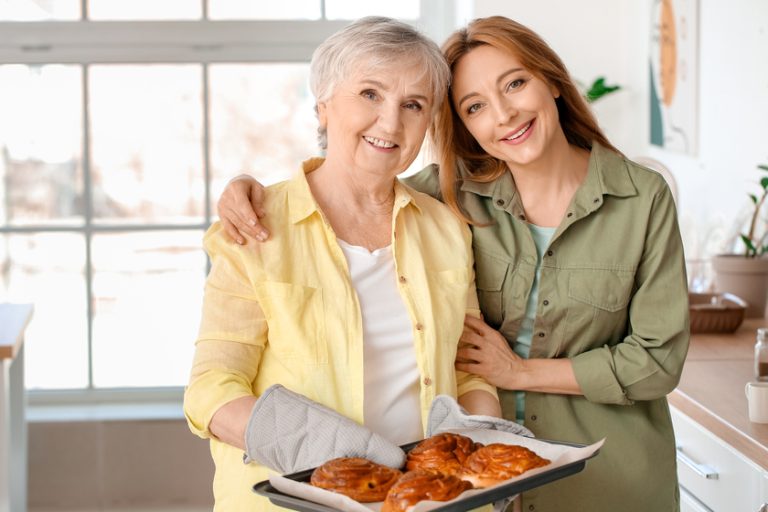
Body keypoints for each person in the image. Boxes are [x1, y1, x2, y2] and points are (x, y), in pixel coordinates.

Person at [216, 15, 690, 512]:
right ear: (461, 124)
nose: (504, 115)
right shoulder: (447, 196)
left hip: (608, 482)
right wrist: (251, 191)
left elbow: (658, 362)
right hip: (475, 483)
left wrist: (521, 372)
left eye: (516, 83)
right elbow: (356, 178)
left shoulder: (641, 197)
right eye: (475, 106)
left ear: (551, 80)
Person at [182, 16, 506, 512]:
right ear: (324, 104)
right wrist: (330, 451)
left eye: (413, 105)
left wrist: (476, 468)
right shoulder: (254, 225)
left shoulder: (447, 229)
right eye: (370, 94)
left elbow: (469, 374)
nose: (391, 122)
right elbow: (210, 391)